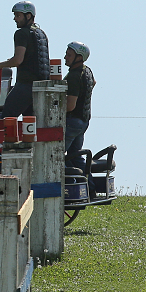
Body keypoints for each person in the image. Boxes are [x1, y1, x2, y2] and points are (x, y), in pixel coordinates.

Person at [0, 1, 49, 118]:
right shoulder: (41, 34)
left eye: (18, 15)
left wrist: (1, 65)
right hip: (41, 88)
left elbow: (18, 60)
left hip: (25, 85)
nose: (15, 19)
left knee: (7, 117)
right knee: (29, 122)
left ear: (28, 16)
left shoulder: (22, 33)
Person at [64, 41, 96, 190]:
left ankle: (71, 187)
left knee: (54, 155)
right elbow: (93, 82)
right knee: (76, 157)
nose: (65, 57)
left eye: (69, 55)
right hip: (83, 122)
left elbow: (70, 106)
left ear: (79, 57)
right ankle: (90, 188)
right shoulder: (87, 71)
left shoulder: (74, 76)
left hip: (72, 123)